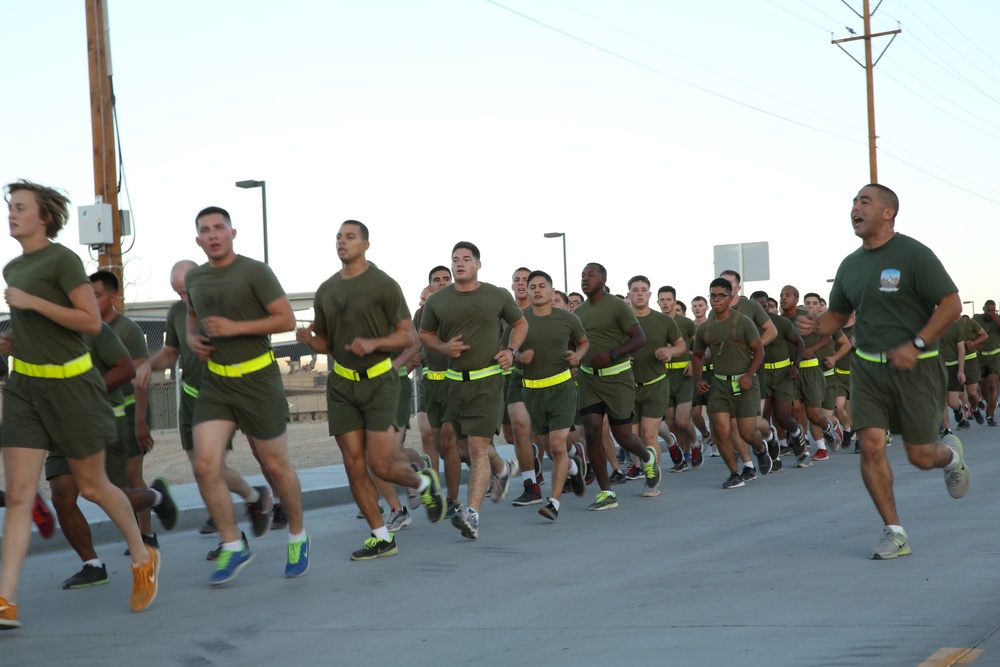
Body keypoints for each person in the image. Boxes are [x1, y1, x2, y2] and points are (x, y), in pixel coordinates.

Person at [1, 180, 158, 628]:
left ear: (44, 217)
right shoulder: (13, 268)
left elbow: (89, 322)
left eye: (20, 208)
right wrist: (14, 342)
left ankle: (142, 556)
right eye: (10, 208)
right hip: (26, 390)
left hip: (73, 389)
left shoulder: (63, 260)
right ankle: (5, 600)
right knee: (17, 495)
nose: (11, 214)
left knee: (92, 487)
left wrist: (30, 301)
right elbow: (40, 330)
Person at [797, 183, 969, 559]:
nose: (855, 208)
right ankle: (895, 532)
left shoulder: (913, 254)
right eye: (854, 202)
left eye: (864, 201)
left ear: (887, 212)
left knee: (921, 456)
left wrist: (917, 344)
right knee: (871, 445)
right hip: (868, 370)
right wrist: (817, 325)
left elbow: (951, 304)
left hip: (917, 369)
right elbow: (838, 317)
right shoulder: (850, 265)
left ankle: (951, 457)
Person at [297, 220, 445, 559]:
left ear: (365, 244)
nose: (342, 242)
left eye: (350, 237)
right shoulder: (326, 291)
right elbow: (325, 342)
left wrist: (374, 343)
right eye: (338, 237)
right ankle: (381, 537)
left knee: (380, 463)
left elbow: (407, 336)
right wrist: (310, 341)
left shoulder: (383, 285)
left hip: (380, 381)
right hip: (341, 384)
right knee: (353, 463)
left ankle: (423, 483)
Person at [185, 206, 307, 584]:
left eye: (219, 227)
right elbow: (192, 315)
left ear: (232, 233)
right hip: (217, 383)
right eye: (205, 230)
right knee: (205, 465)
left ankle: (298, 537)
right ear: (198, 239)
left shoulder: (254, 271)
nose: (213, 234)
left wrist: (234, 328)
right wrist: (193, 339)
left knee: (274, 465)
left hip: (258, 380)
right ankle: (233, 545)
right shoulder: (196, 278)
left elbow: (285, 319)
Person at [134, 260, 275, 561]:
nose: (185, 300)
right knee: (203, 471)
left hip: (222, 394)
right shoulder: (175, 312)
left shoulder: (222, 302)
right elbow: (171, 353)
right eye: (178, 294)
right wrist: (149, 363)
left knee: (211, 468)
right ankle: (253, 498)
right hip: (190, 395)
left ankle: (232, 540)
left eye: (187, 292)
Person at [418, 241, 526, 540]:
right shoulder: (438, 301)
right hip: (454, 382)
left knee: (477, 447)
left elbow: (520, 323)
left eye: (466, 259)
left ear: (478, 264)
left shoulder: (497, 295)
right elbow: (424, 334)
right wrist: (442, 346)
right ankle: (502, 469)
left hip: (488, 381)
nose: (459, 263)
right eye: (455, 259)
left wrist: (511, 351)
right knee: (453, 444)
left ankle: (471, 513)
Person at [573, 263, 661, 510]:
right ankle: (606, 493)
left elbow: (639, 339)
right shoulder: (578, 312)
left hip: (618, 377)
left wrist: (612, 354)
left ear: (603, 279)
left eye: (590, 275)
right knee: (591, 430)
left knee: (623, 436)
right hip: (589, 378)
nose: (585, 279)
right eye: (582, 276)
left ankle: (646, 457)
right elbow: (575, 343)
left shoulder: (617, 306)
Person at [513, 270, 589, 519]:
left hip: (562, 390)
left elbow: (583, 342)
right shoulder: (519, 321)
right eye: (532, 286)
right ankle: (574, 465)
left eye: (542, 286)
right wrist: (519, 357)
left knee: (556, 446)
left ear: (552, 291)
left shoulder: (566, 319)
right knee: (550, 449)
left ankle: (553, 503)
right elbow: (507, 350)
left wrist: (577, 356)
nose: (536, 290)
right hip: (533, 393)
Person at [692, 278, 772, 489]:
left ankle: (761, 448)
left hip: (745, 383)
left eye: (720, 295)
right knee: (720, 430)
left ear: (730, 297)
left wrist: (749, 376)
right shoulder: (705, 328)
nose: (716, 299)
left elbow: (759, 351)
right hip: (719, 385)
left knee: (746, 432)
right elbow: (698, 355)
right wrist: (698, 379)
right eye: (713, 295)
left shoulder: (743, 321)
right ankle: (735, 473)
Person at [972, 301, 1000, 426]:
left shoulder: (997, 319)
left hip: (996, 356)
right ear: (983, 309)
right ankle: (990, 403)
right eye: (988, 310)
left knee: (993, 383)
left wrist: (996, 320)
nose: (991, 313)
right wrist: (975, 344)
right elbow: (967, 333)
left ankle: (990, 414)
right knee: (983, 388)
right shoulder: (976, 319)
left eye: (993, 310)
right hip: (981, 358)